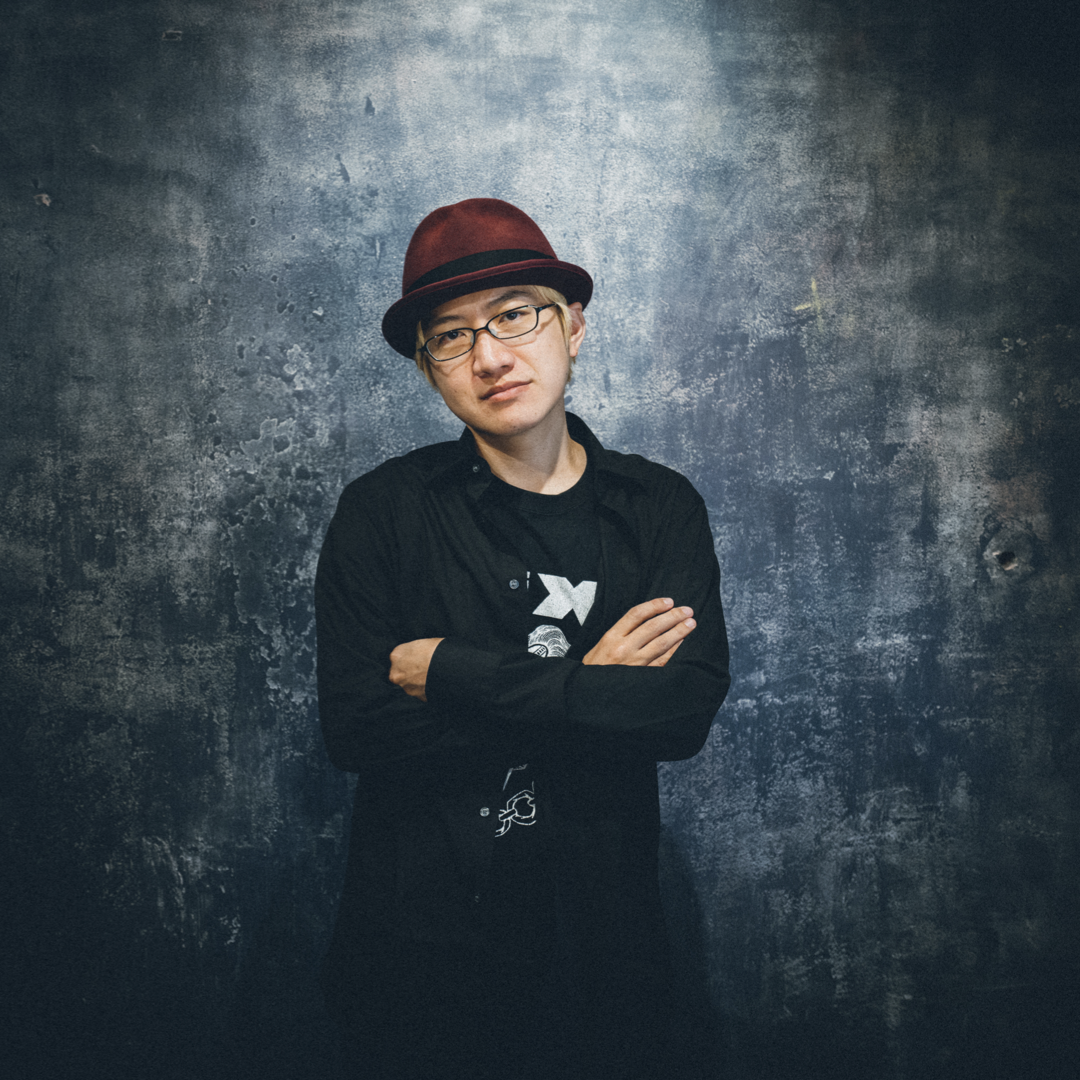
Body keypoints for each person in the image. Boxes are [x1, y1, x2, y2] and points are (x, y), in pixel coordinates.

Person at [315, 198, 730, 1080]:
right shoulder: (384, 513)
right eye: (451, 336)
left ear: (573, 326)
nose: (490, 355)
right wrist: (595, 685)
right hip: (421, 957)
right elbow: (357, 728)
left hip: (603, 949)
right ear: (427, 367)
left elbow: (680, 712)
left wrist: (453, 673)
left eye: (515, 314)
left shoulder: (658, 509)